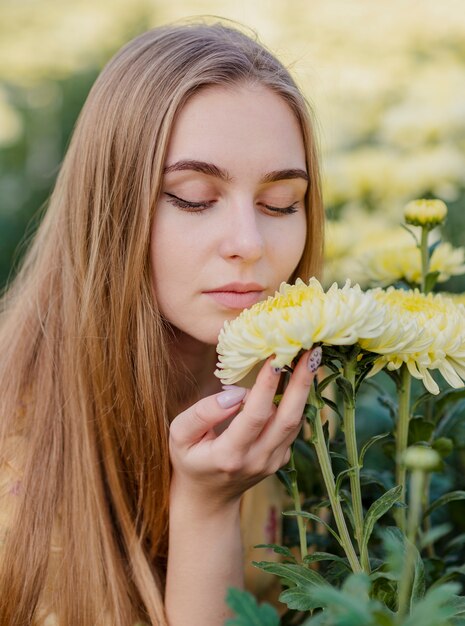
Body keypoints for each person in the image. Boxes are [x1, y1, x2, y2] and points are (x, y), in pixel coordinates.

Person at [0, 21, 324, 625]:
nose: (248, 244)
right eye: (195, 197)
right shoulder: (16, 466)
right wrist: (206, 508)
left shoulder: (314, 417)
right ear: (111, 207)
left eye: (281, 203)